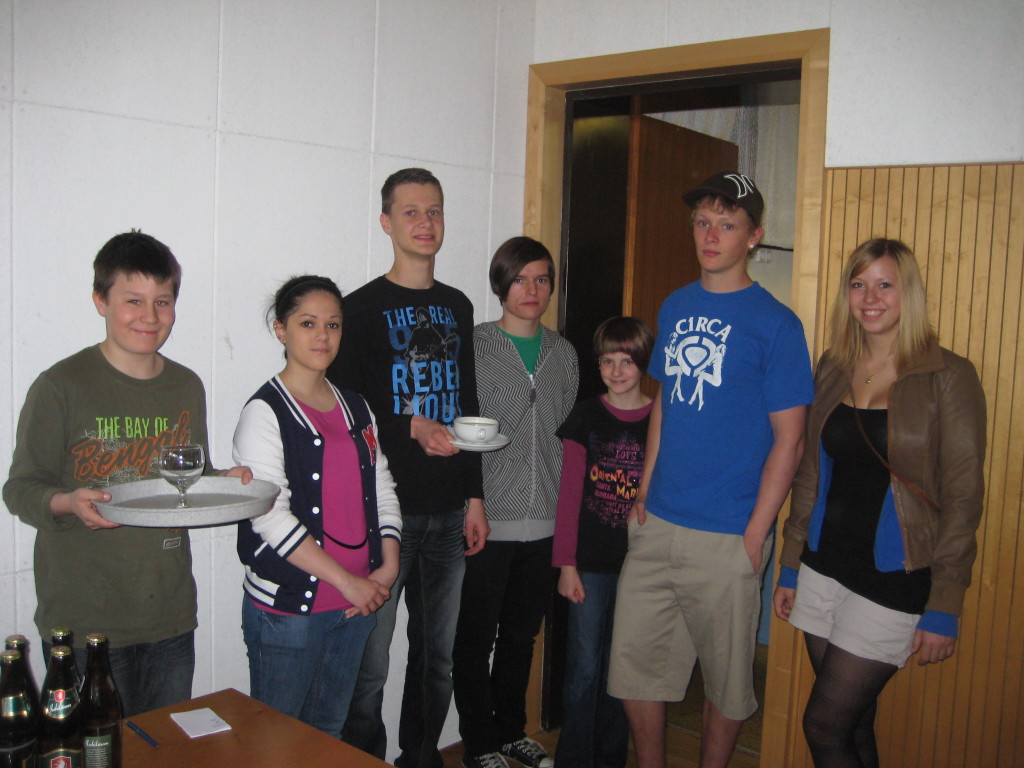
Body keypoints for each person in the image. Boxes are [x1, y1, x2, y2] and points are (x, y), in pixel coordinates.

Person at [607, 171, 814, 768]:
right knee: (636, 672)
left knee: (726, 683)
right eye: (703, 222)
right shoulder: (676, 305)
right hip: (657, 524)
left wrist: (756, 533)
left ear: (754, 236)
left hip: (728, 534)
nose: (711, 235)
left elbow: (791, 441)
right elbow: (665, 405)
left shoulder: (777, 323)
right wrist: (643, 491)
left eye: (727, 224)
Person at [3, 230, 252, 717]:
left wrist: (226, 479)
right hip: (84, 622)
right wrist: (68, 502)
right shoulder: (61, 385)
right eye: (133, 300)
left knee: (163, 746)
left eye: (163, 302)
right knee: (94, 748)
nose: (150, 316)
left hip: (169, 615)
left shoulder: (186, 385)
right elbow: (20, 488)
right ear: (101, 301)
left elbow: (189, 475)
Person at [772, 238, 987, 768]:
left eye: (884, 285)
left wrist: (945, 603)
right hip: (823, 567)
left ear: (907, 292)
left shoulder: (948, 376)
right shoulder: (833, 365)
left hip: (893, 577)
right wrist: (791, 564)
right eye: (858, 284)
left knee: (823, 726)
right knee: (854, 723)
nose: (870, 298)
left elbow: (963, 497)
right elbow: (810, 472)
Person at [328, 168, 488, 768]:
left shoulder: (458, 304)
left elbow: (468, 406)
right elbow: (347, 411)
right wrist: (410, 426)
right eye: (412, 212)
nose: (425, 223)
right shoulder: (359, 309)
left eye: (434, 211)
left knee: (435, 659)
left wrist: (475, 497)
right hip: (382, 515)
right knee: (369, 664)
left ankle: (420, 758)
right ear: (386, 222)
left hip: (448, 512)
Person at [232, 275, 402, 736]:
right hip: (289, 612)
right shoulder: (264, 411)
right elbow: (268, 514)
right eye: (307, 323)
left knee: (328, 735)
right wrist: (348, 583)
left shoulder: (356, 406)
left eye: (333, 324)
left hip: (356, 607)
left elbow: (382, 487)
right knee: (277, 743)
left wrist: (387, 568)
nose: (322, 336)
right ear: (280, 330)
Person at [452, 236, 579, 768]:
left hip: (545, 521)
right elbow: (455, 426)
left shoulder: (563, 354)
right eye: (520, 279)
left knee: (522, 638)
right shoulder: (474, 346)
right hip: (487, 519)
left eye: (542, 279)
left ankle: (510, 732)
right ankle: (479, 745)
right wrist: (471, 501)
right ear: (501, 285)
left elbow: (569, 440)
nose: (532, 290)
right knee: (474, 638)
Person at [552, 316, 654, 768]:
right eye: (607, 361)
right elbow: (569, 495)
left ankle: (611, 758)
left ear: (643, 363)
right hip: (588, 567)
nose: (616, 371)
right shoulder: (586, 416)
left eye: (626, 361)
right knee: (583, 669)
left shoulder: (661, 419)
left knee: (623, 672)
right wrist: (566, 564)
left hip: (641, 567)